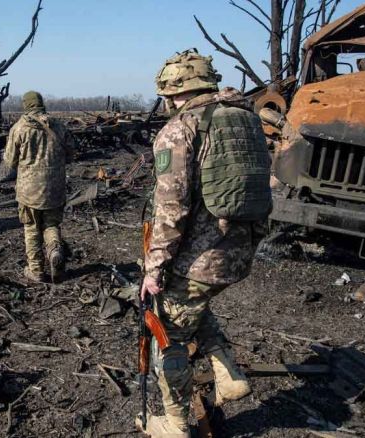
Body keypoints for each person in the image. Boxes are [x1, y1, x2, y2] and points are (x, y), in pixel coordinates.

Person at [138, 49, 272, 437]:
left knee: (168, 332)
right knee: (194, 305)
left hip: (199, 258)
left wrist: (154, 268)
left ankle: (176, 423)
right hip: (239, 250)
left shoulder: (179, 129)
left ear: (170, 90)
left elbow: (171, 208)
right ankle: (229, 374)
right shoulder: (246, 119)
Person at [3, 91, 75, 283]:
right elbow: (71, 154)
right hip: (55, 188)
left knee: (31, 228)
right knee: (51, 225)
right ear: (42, 104)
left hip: (29, 191)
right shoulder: (58, 126)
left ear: (26, 105)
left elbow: (10, 161)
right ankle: (55, 252)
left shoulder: (19, 128)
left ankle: (36, 271)